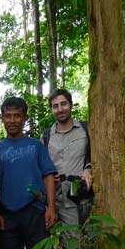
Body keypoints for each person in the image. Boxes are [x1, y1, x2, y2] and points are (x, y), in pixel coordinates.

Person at [0, 96, 58, 249]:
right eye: (8, 116)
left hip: (34, 210)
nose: (12, 120)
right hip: (6, 213)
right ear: (2, 119)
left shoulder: (36, 146)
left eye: (17, 116)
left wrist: (51, 207)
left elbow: (48, 175)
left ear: (25, 118)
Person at [44, 89, 93, 227]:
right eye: (55, 106)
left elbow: (97, 156)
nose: (60, 109)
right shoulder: (46, 136)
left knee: (74, 240)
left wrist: (88, 169)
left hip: (77, 197)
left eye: (63, 104)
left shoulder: (86, 129)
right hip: (52, 198)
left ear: (71, 105)